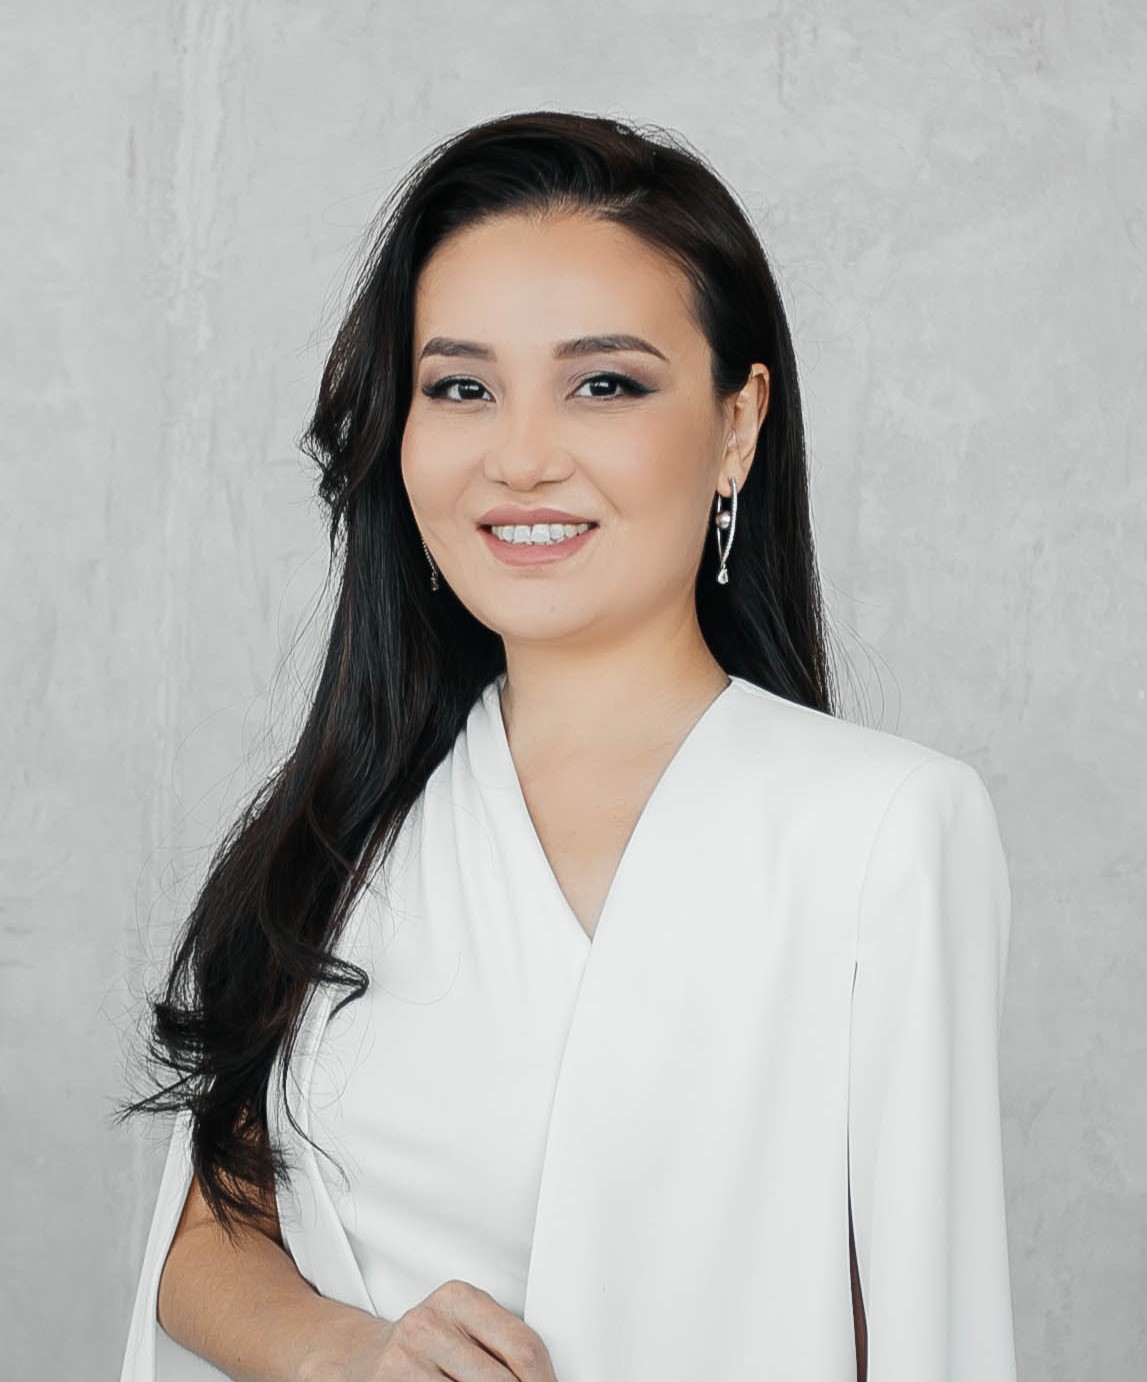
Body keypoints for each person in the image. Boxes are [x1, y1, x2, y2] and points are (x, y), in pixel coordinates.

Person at [118, 110, 1018, 1382]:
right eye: (461, 387)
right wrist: (348, 1349)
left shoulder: (880, 832)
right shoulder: (351, 820)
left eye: (604, 383)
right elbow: (210, 1217)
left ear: (737, 423)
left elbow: (928, 1332)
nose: (522, 456)